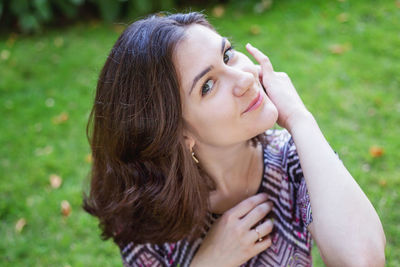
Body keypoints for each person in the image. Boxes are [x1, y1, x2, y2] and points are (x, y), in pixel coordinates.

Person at [83, 12, 386, 267]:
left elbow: (364, 259)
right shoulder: (146, 211)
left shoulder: (292, 159)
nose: (244, 78)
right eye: (208, 85)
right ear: (178, 133)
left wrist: (299, 118)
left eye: (227, 54)